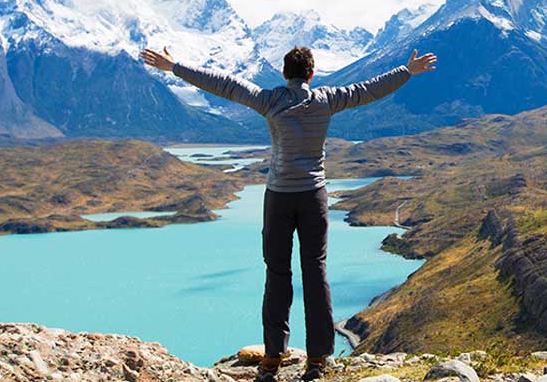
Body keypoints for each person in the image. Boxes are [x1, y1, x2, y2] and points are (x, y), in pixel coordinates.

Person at [140, 45, 437, 381]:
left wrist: (175, 66)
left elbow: (223, 84)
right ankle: (317, 360)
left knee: (277, 274)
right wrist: (407, 71)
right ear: (311, 75)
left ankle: (272, 358)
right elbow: (369, 89)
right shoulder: (327, 99)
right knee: (316, 272)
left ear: (284, 73)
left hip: (279, 197)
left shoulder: (270, 100)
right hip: (314, 197)